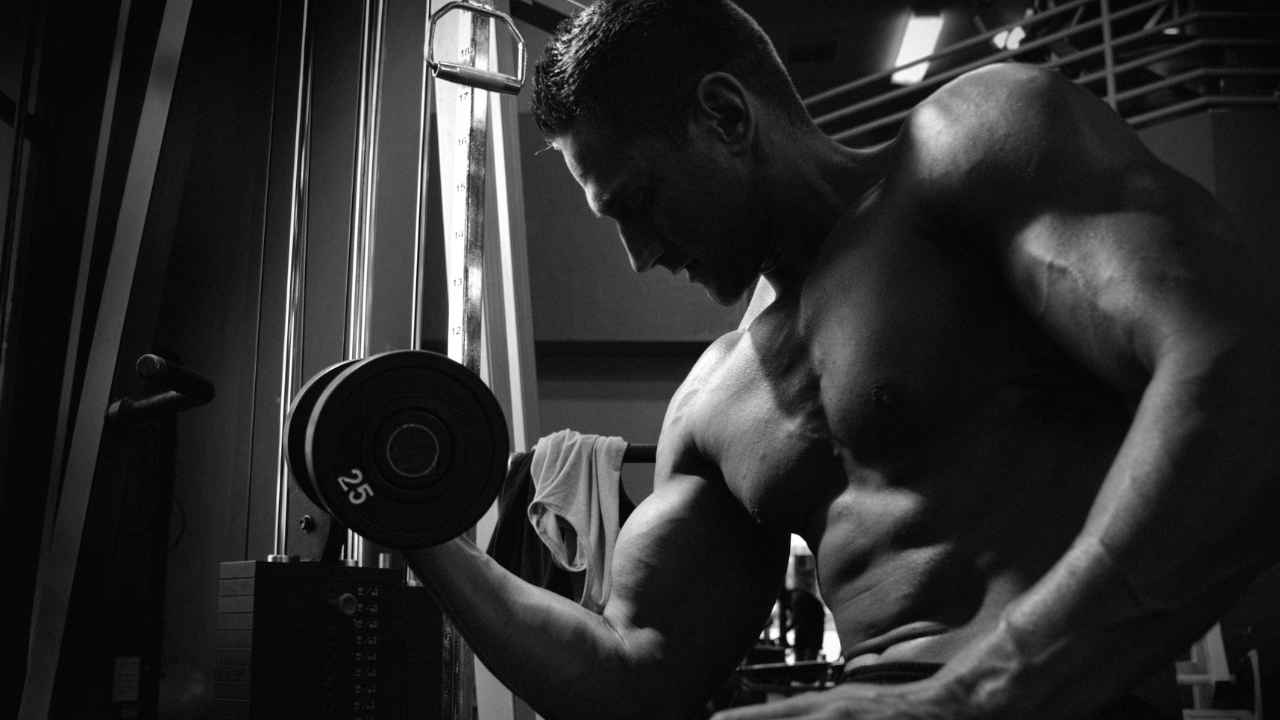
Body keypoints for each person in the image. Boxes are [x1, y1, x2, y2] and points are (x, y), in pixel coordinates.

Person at [406, 1, 1280, 717]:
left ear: (724, 114)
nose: (640, 255)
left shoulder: (968, 152)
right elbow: (637, 675)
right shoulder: (715, 400)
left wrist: (970, 700)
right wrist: (423, 532)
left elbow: (1242, 379)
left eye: (640, 201)